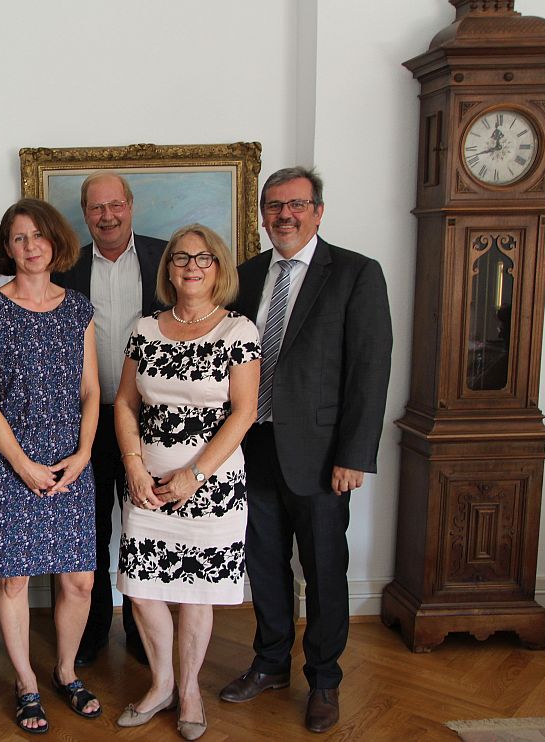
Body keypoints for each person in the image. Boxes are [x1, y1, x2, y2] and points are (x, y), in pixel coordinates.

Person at [219, 167, 392, 734]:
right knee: (264, 564)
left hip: (321, 456)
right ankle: (270, 663)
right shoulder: (244, 275)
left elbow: (370, 369)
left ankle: (324, 679)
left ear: (318, 210)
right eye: (273, 206)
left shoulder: (355, 274)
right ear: (263, 214)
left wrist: (354, 454)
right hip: (252, 445)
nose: (283, 215)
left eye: (295, 204)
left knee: (323, 568)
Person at [113, 225, 260, 740]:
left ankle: (191, 689)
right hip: (147, 483)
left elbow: (243, 412)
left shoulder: (237, 332)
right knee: (144, 591)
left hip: (211, 486)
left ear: (219, 267)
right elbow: (126, 402)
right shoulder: (146, 327)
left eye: (203, 259)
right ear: (168, 268)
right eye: (180, 258)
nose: (191, 267)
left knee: (196, 593)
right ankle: (161, 685)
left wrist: (195, 474)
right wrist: (133, 464)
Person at [0, 198, 101, 734]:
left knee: (80, 581)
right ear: (8, 247)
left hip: (72, 462)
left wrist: (86, 452)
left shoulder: (79, 309)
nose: (30, 246)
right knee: (16, 580)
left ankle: (65, 671)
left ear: (55, 242)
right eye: (19, 238)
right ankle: (26, 682)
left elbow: (92, 390)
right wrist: (22, 464)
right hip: (9, 464)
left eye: (39, 236)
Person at [52, 171, 165, 667]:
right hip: (88, 419)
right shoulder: (65, 269)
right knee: (91, 529)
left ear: (131, 205)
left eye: (115, 205)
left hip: (154, 418)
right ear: (85, 214)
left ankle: (145, 634)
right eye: (96, 208)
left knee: (146, 527)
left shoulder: (166, 259)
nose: (107, 216)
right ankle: (94, 631)